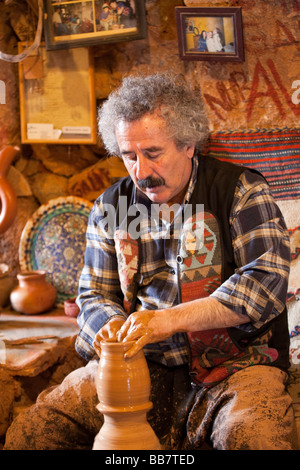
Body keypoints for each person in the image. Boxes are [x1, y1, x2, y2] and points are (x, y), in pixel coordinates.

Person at [4, 73, 296, 450]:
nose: (141, 171)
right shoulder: (111, 206)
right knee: (33, 432)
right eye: (129, 156)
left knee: (257, 438)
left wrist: (164, 321)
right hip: (139, 367)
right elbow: (93, 297)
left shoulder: (240, 190)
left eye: (153, 153)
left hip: (236, 369)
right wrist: (111, 329)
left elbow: (264, 284)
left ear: (188, 144)